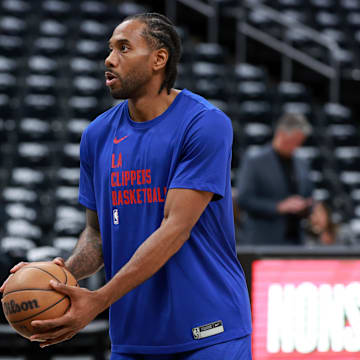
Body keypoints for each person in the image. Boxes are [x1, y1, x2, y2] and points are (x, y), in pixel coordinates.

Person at [1, 13, 252, 360]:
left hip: (208, 331)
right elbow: (97, 236)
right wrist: (55, 278)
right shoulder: (97, 135)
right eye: (109, 49)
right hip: (133, 337)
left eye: (123, 48)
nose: (109, 59)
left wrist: (99, 299)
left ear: (158, 59)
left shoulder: (204, 124)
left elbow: (175, 230)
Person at [236, 113, 313, 245]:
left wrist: (306, 206)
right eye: (294, 141)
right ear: (281, 134)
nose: (297, 146)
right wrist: (278, 207)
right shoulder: (255, 161)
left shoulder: (302, 162)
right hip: (264, 240)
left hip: (296, 241)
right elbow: (244, 199)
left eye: (300, 142)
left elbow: (309, 195)